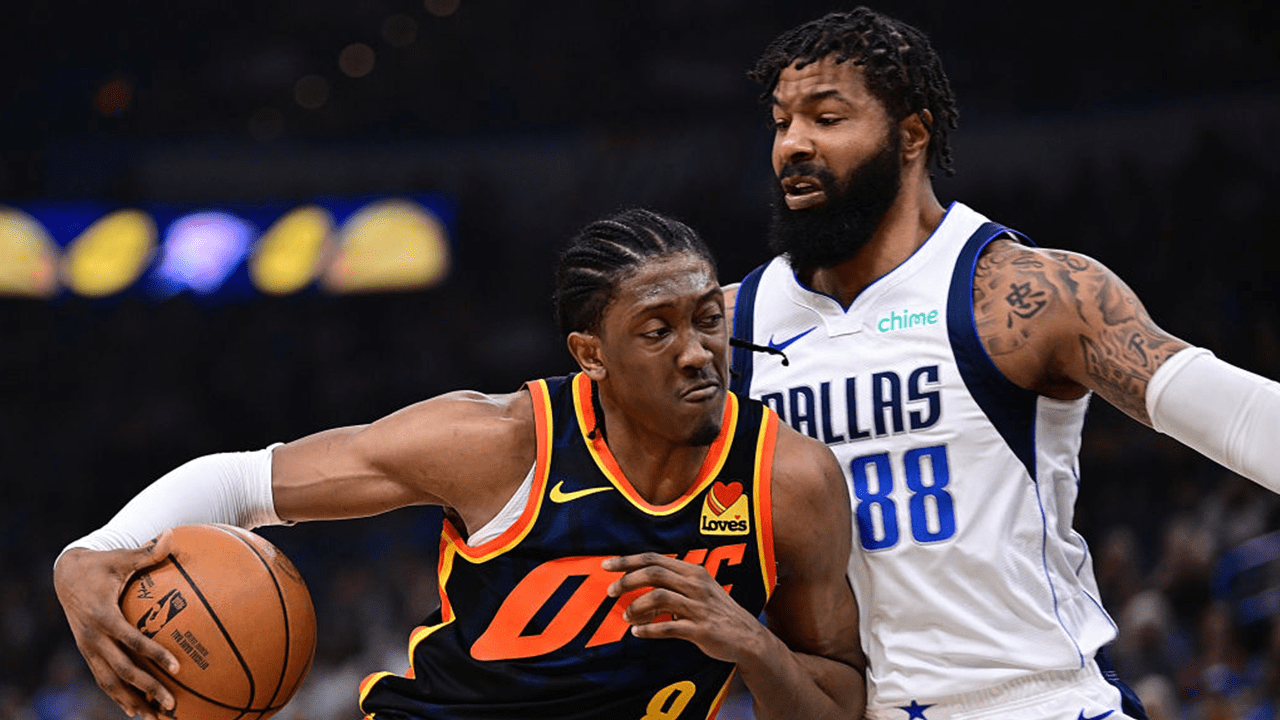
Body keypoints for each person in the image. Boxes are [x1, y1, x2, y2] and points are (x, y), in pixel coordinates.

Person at [52, 208, 864, 720]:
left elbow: (838, 703)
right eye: (658, 331)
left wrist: (755, 648)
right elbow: (241, 483)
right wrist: (86, 556)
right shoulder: (499, 442)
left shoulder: (789, 481)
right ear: (591, 355)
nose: (696, 352)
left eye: (710, 320)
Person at [725, 7, 1280, 720]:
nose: (793, 144)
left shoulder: (1027, 294)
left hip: (1037, 700)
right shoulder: (729, 327)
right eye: (781, 122)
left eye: (826, 119)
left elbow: (1240, 419)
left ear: (912, 135)